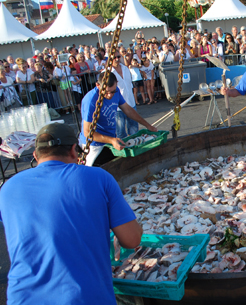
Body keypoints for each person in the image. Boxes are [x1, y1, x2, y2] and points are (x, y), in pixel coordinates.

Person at [0, 122, 142, 304]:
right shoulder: (99, 178)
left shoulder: (8, 188)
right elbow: (132, 240)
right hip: (84, 298)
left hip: (22, 299)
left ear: (35, 156)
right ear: (74, 150)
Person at [79, 71, 157, 166]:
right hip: (94, 145)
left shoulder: (116, 92)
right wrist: (111, 140)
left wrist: (147, 125)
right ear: (98, 85)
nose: (110, 95)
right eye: (106, 92)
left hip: (110, 140)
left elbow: (128, 110)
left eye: (112, 91)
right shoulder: (90, 100)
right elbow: (87, 132)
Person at [111, 53, 139, 140]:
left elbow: (129, 85)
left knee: (134, 131)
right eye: (114, 57)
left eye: (118, 57)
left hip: (131, 103)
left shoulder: (125, 68)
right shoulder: (108, 72)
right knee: (121, 134)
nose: (116, 59)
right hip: (118, 108)